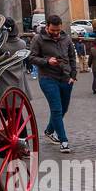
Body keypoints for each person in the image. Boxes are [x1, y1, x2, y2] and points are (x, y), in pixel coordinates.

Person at [29, 14, 76, 154]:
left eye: (58, 30)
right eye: (53, 30)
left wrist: (73, 75)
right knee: (56, 109)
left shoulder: (66, 38)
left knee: (64, 108)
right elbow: (31, 57)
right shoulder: (38, 39)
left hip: (66, 78)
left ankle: (49, 130)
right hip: (47, 77)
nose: (56, 33)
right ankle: (64, 141)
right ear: (47, 27)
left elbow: (72, 57)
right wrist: (47, 61)